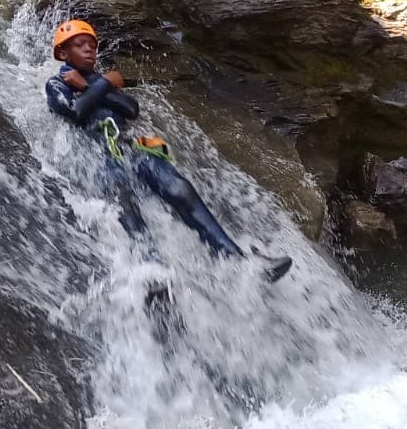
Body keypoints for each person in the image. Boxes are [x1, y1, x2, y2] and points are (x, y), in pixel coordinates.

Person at [45, 19, 292, 282]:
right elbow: (75, 112)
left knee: (179, 188)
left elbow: (131, 109)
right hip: (96, 154)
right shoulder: (57, 83)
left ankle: (237, 260)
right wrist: (101, 85)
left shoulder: (98, 80)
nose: (89, 49)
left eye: (92, 45)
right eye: (80, 45)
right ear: (64, 53)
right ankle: (152, 272)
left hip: (129, 147)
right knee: (123, 201)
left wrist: (93, 85)